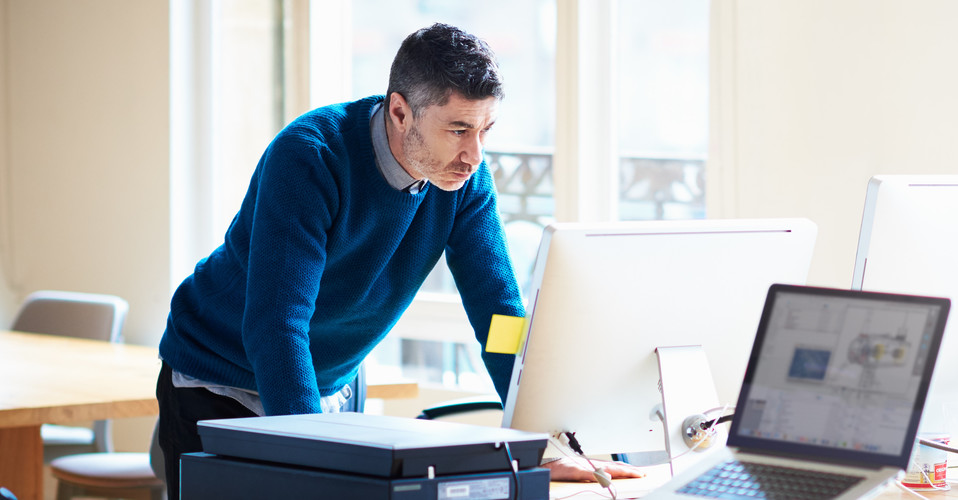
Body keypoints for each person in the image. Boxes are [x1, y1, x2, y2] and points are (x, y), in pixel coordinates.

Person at [154, 23, 641, 495]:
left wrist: (549, 442)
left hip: (330, 384)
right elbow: (278, 326)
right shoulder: (310, 157)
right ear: (400, 111)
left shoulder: (465, 182)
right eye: (457, 129)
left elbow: (498, 316)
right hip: (219, 380)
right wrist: (316, 455)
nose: (474, 154)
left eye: (485, 130)